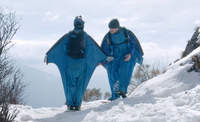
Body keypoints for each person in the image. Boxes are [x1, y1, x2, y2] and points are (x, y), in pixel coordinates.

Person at [45, 16, 107, 110]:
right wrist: (103, 59)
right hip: (81, 64)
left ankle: (70, 104)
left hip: (71, 64)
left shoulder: (69, 35)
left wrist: (48, 55)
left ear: (74, 24)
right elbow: (95, 48)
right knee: (80, 85)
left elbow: (58, 45)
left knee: (71, 85)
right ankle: (77, 105)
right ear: (82, 25)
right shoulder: (86, 36)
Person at [100, 19, 143, 101]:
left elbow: (133, 44)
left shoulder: (126, 33)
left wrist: (130, 53)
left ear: (117, 27)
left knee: (124, 69)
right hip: (115, 56)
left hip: (127, 54)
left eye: (112, 28)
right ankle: (115, 95)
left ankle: (122, 90)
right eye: (109, 28)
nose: (110, 30)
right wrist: (104, 59)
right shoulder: (108, 36)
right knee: (112, 72)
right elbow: (105, 48)